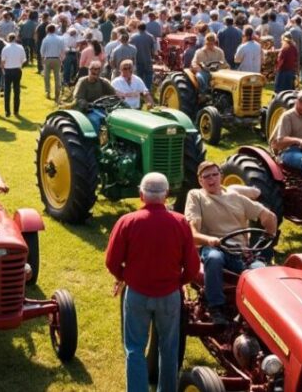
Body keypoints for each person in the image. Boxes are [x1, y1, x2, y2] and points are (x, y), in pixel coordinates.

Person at [105, 172, 200, 392]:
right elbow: (193, 267)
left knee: (134, 348)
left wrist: (124, 277)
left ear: (141, 195)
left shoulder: (127, 221)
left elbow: (111, 261)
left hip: (137, 295)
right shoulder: (180, 222)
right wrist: (178, 282)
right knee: (169, 349)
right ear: (166, 195)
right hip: (169, 296)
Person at [184, 161, 277, 326]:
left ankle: (261, 315)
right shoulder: (196, 196)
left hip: (240, 251)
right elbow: (192, 232)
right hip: (215, 247)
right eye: (206, 176)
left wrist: (270, 233)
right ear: (200, 181)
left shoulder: (236, 197)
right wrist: (208, 240)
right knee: (214, 258)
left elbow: (268, 216)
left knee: (260, 271)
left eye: (215, 174)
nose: (211, 179)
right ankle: (215, 307)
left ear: (221, 176)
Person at [73, 60, 118, 131]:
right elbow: (78, 98)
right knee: (95, 120)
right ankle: (94, 137)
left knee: (113, 119)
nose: (95, 72)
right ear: (89, 70)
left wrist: (114, 100)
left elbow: (114, 94)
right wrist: (87, 105)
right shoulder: (83, 82)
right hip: (86, 110)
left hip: (100, 108)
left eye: (98, 70)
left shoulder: (103, 82)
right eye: (93, 70)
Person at [0, 32, 26, 117]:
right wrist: (19, 65)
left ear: (8, 39)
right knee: (17, 90)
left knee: (7, 91)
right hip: (17, 69)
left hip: (8, 70)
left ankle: (7, 111)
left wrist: (3, 70)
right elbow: (24, 59)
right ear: (15, 38)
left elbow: (2, 61)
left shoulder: (5, 48)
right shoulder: (20, 47)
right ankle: (16, 110)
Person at [39, 24, 65, 99]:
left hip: (48, 58)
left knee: (47, 76)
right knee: (57, 76)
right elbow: (63, 50)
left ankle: (48, 91)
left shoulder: (45, 39)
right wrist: (62, 59)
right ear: (55, 30)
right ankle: (57, 92)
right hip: (57, 58)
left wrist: (42, 58)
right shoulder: (60, 39)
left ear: (47, 30)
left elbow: (42, 51)